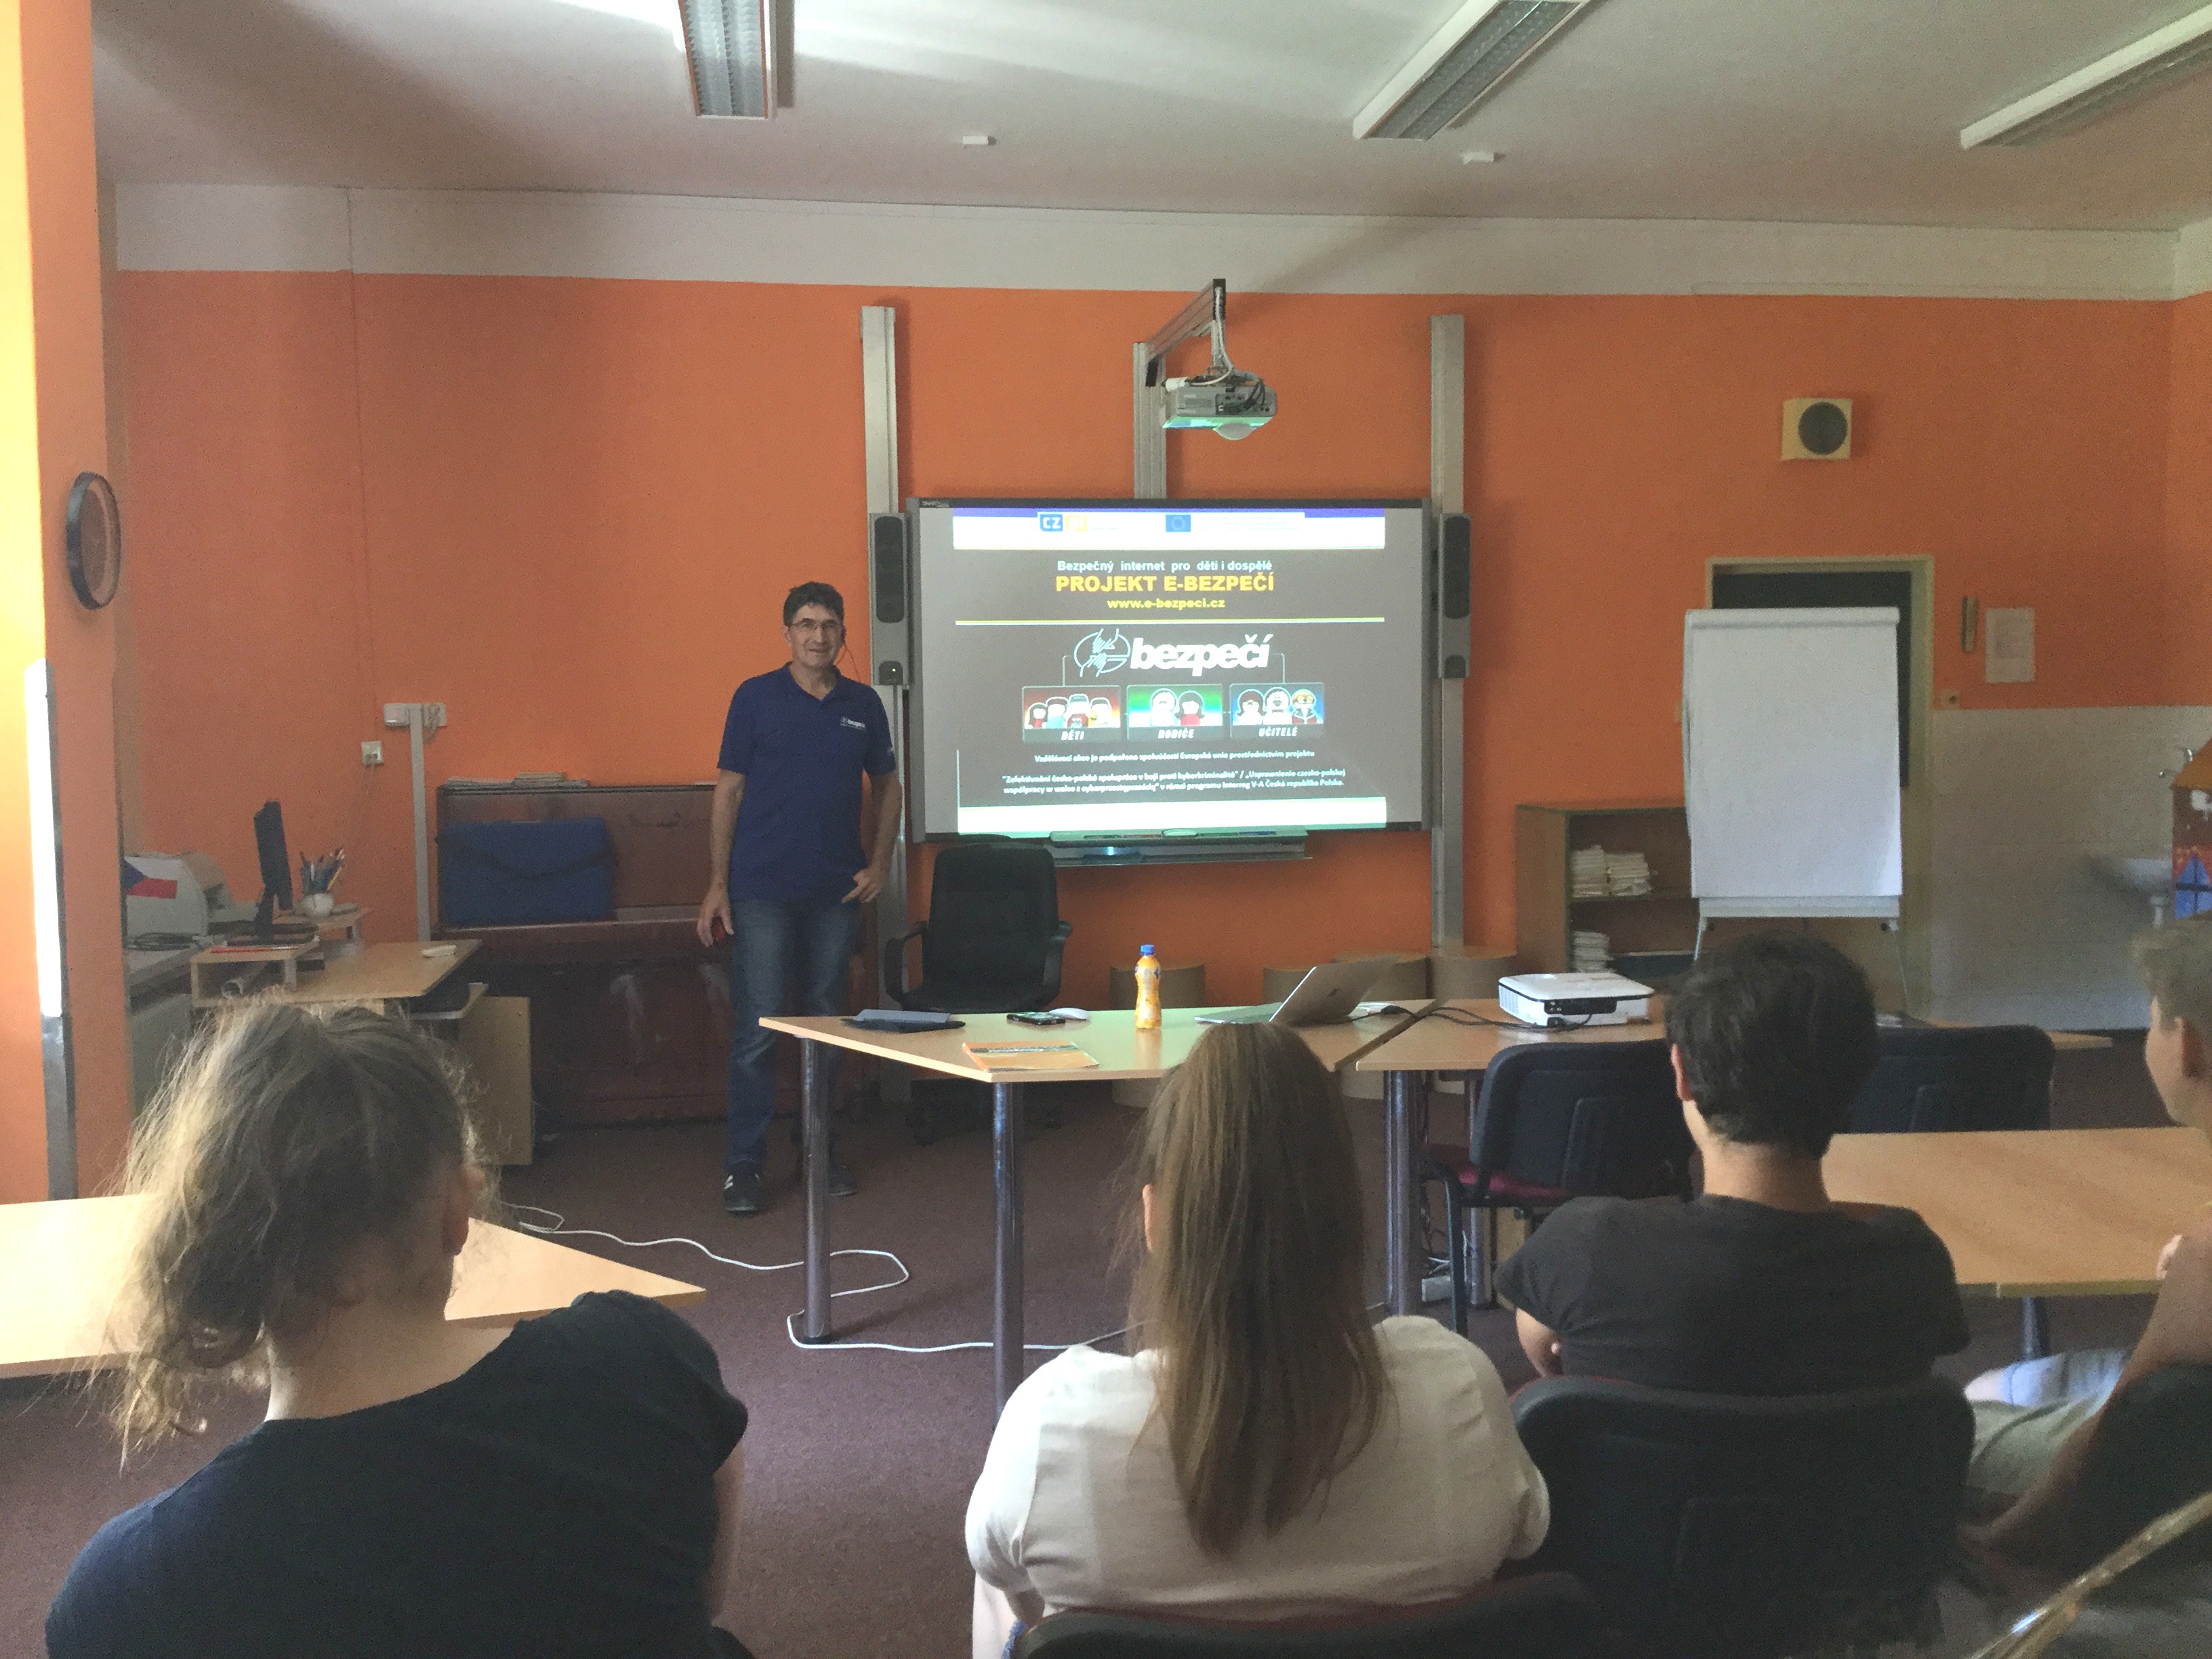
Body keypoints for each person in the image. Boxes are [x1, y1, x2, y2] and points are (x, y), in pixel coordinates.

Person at [47, 1004, 750, 1659]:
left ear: (220, 1238)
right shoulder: (643, 1356)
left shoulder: (127, 1597)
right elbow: (705, 1597)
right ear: (458, 1209)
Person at [965, 1023, 1548, 1658]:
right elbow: (1525, 1536)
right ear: (1347, 1215)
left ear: (1155, 1220)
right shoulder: (1457, 1388)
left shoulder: (1052, 1426)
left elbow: (995, 1561)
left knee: (1004, 1589)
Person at [1496, 931, 1968, 1394]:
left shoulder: (1585, 1246)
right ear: (1860, 1078)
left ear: (1681, 1074)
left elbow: (1548, 1365)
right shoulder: (1911, 1259)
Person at [1963, 918, 2212, 1571]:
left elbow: (2107, 1445)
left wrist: (2000, 1542)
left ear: (2187, 1046)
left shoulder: (2207, 1260)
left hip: (2177, 1484)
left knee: (1949, 1428)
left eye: (2153, 1019)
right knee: (1996, 1382)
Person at [697, 581, 898, 1215]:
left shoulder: (863, 704)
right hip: (760, 890)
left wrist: (881, 862)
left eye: (829, 625)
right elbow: (728, 791)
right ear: (787, 634)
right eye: (806, 625)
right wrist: (718, 884)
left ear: (843, 635)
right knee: (759, 1029)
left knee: (825, 1027)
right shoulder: (754, 698)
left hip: (835, 893)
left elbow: (889, 786)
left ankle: (818, 1148)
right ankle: (744, 1166)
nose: (818, 636)